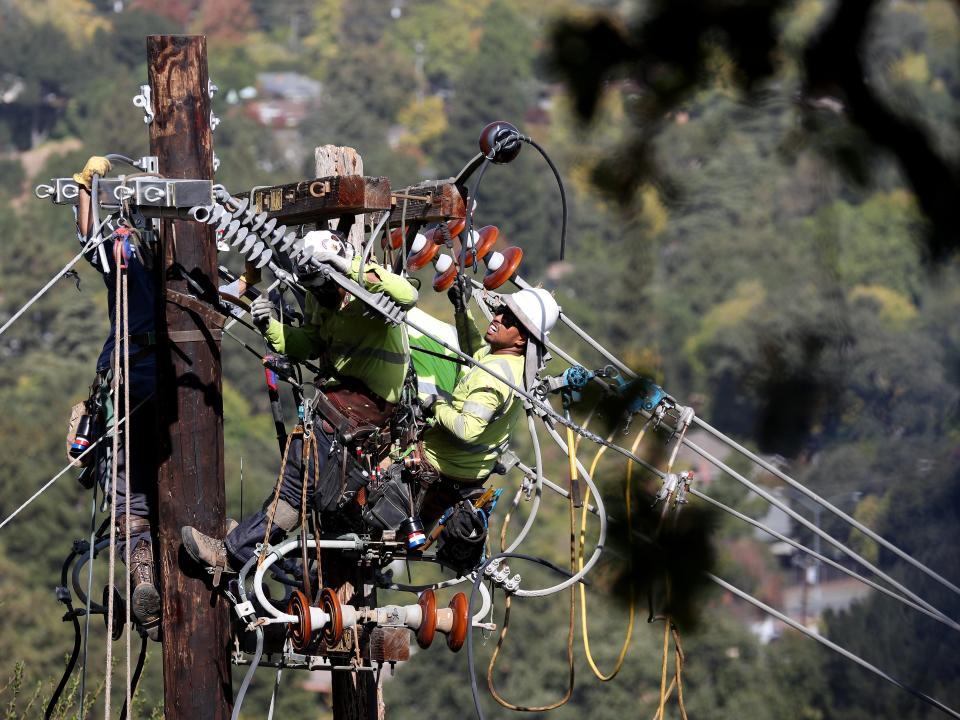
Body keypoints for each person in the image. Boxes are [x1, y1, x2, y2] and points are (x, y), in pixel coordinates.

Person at [181, 230, 419, 576]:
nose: (319, 294)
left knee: (297, 485)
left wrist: (344, 265)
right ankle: (260, 552)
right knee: (306, 489)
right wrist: (270, 326)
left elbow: (408, 294)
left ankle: (234, 553)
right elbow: (309, 344)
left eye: (324, 285)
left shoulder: (370, 295)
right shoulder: (318, 299)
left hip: (358, 413)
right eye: (313, 287)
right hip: (339, 408)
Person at [73, 156, 160, 637]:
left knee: (127, 492)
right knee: (168, 482)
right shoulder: (183, 250)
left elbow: (90, 240)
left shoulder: (124, 249)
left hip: (129, 374)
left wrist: (85, 186)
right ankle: (166, 578)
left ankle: (145, 575)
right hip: (172, 385)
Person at [416, 283, 559, 526]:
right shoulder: (512, 362)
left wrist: (435, 404)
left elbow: (466, 430)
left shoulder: (493, 374)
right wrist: (462, 310)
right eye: (502, 310)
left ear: (522, 339)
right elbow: (476, 352)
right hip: (468, 474)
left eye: (509, 319)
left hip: (440, 467)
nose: (498, 317)